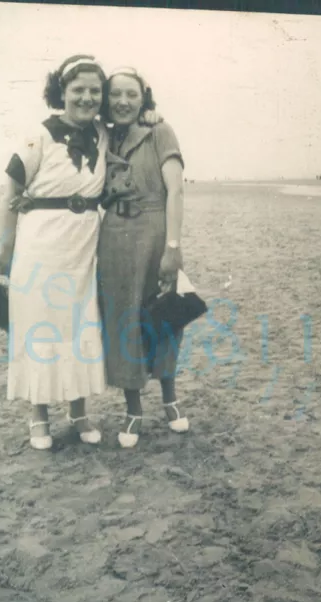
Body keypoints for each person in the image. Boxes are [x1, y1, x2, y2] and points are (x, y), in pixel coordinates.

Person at [0, 55, 160, 451]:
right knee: (40, 326)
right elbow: (10, 194)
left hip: (84, 246)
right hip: (40, 244)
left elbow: (135, 119)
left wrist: (152, 114)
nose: (87, 97)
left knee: (80, 326)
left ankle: (79, 411)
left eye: (94, 91)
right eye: (78, 90)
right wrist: (6, 249)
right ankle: (38, 417)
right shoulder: (38, 136)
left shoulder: (103, 133)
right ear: (61, 92)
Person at [97, 67, 189, 449]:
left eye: (131, 95)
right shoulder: (100, 138)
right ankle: (133, 410)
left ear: (143, 98)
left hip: (154, 234)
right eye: (115, 94)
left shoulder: (159, 131)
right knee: (122, 322)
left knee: (164, 317)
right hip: (114, 239)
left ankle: (170, 400)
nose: (123, 101)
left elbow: (176, 191)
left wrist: (172, 247)